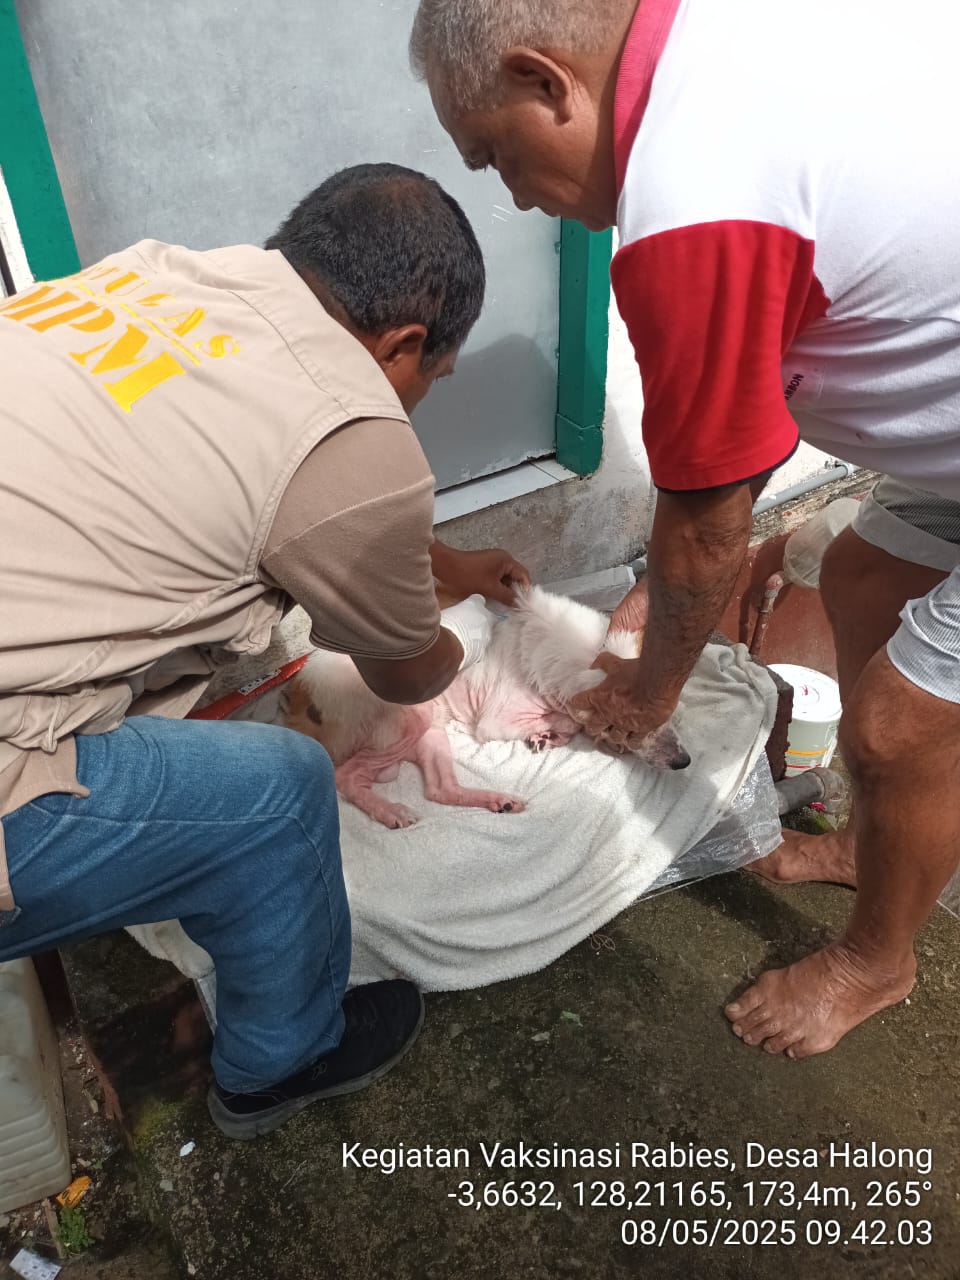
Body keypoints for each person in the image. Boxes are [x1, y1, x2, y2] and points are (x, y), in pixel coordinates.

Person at [411, 0, 960, 1059]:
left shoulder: (692, 203)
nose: (516, 195)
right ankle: (875, 839)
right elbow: (724, 471)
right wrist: (669, 586)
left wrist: (647, 689)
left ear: (544, 81)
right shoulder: (724, 44)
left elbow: (708, 523)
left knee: (897, 725)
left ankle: (875, 962)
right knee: (858, 579)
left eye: (497, 156)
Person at [0, 162, 529, 1139]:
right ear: (404, 344)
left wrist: (442, 561)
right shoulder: (358, 431)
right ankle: (278, 1062)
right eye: (434, 379)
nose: (420, 400)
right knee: (280, 792)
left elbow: (289, 494)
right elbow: (405, 667)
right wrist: (456, 648)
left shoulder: (161, 275)